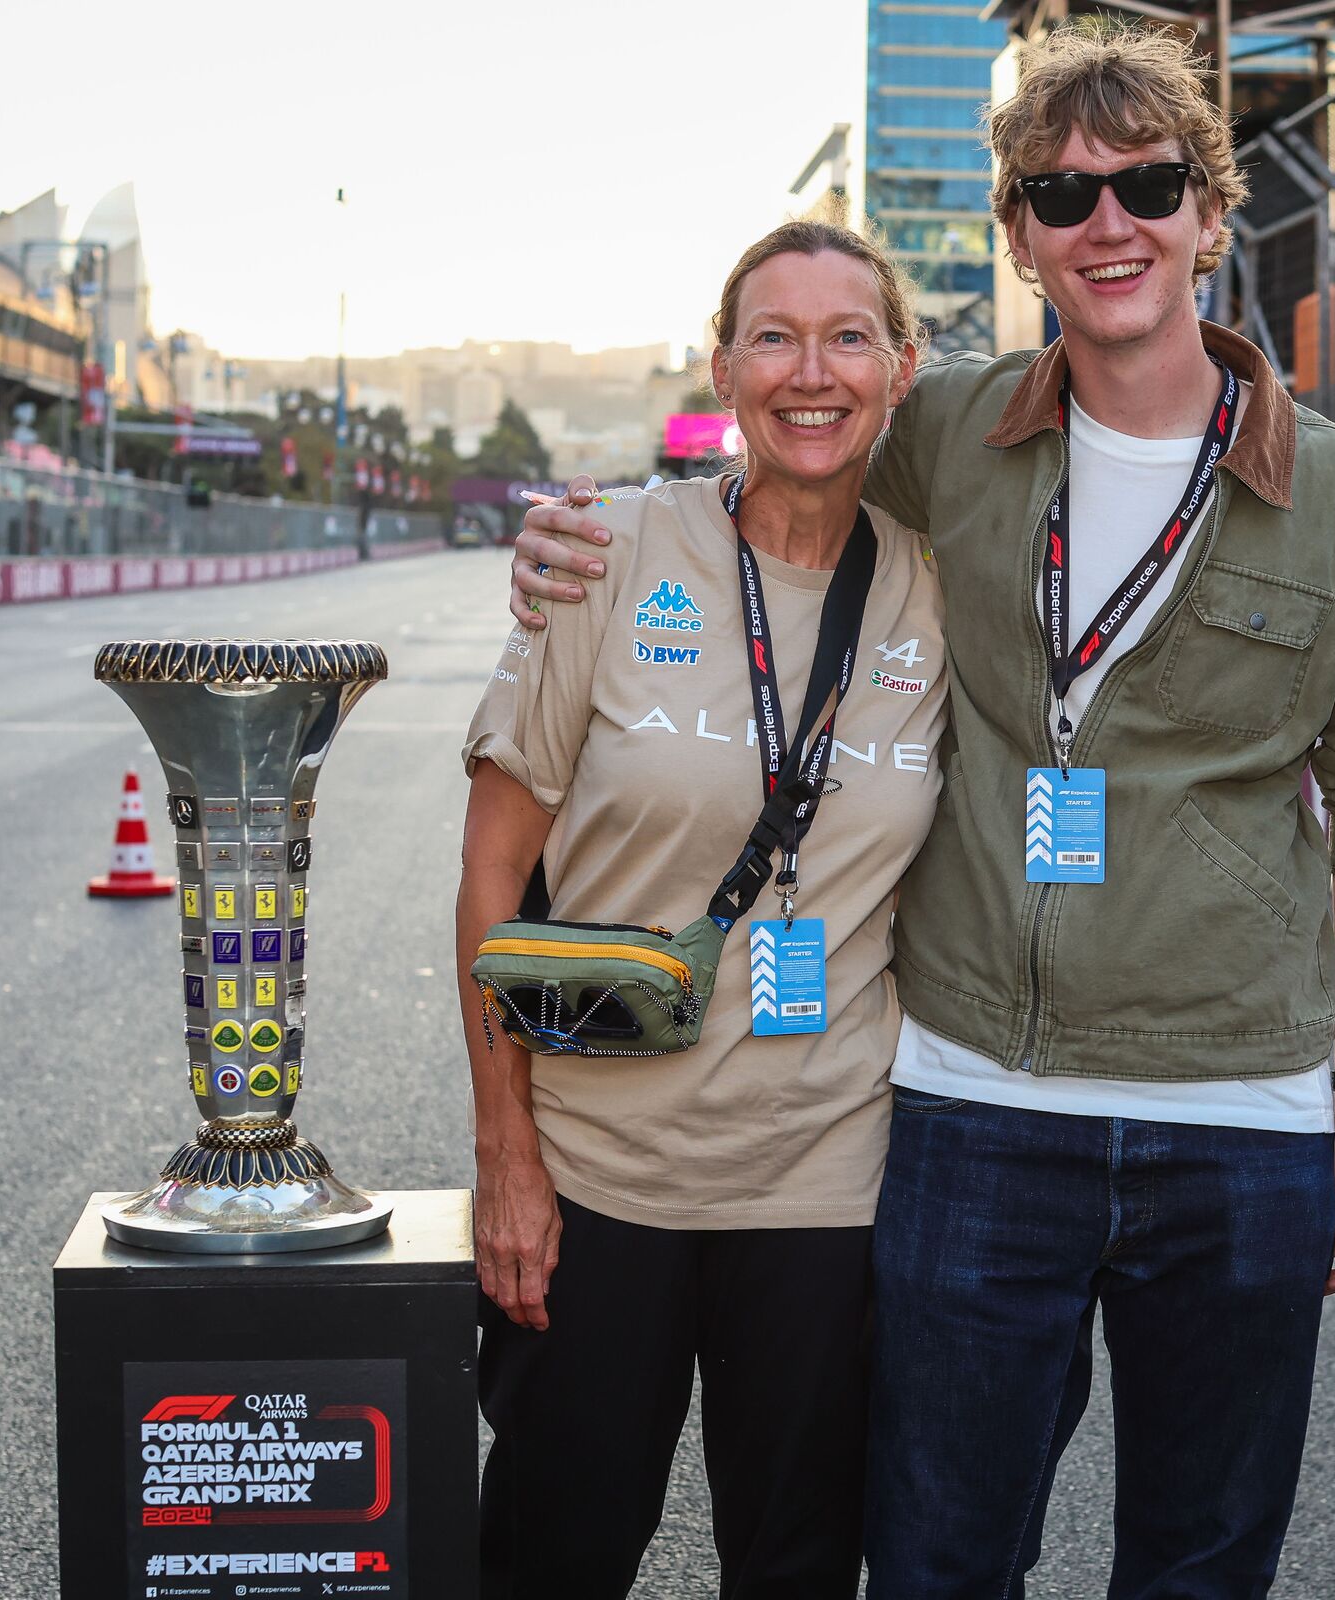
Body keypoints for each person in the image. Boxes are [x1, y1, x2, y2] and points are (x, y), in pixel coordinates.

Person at [510, 22, 1335, 1598]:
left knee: (1203, 1566)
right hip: (970, 1111)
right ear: (1017, 236)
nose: (1110, 225)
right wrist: (570, 541)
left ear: (1211, 216)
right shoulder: (946, 434)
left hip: (1238, 1117)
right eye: (1063, 196)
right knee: (942, 1564)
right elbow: (772, 466)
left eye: (1148, 185)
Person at [456, 220, 947, 1600]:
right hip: (599, 1181)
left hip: (829, 1192)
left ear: (900, 369)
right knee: (554, 1557)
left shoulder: (942, 590)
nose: (812, 371)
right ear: (723, 367)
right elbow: (492, 872)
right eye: (774, 337)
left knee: (796, 1572)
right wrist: (506, 1154)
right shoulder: (604, 554)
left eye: (849, 336)